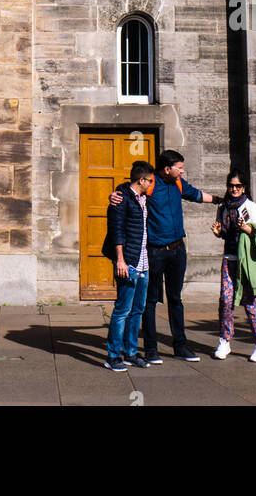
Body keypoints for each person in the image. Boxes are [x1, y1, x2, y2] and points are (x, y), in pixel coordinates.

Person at [110, 148, 215, 362]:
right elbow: (131, 189)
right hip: (155, 251)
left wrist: (222, 200)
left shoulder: (178, 184)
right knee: (150, 301)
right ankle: (151, 350)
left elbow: (196, 195)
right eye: (180, 168)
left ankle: (180, 346)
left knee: (176, 299)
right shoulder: (151, 184)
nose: (183, 171)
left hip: (177, 250)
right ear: (167, 169)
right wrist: (115, 193)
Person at [211, 170, 256, 362]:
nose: (234, 189)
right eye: (231, 185)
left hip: (246, 262)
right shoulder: (223, 207)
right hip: (229, 259)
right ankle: (224, 340)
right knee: (226, 302)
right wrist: (218, 232)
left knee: (250, 303)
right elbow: (225, 232)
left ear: (244, 187)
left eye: (238, 186)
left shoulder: (250, 207)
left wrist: (247, 228)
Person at [103, 159, 155, 371]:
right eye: (149, 181)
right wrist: (120, 260)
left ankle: (131, 352)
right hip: (129, 262)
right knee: (122, 310)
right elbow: (117, 232)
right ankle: (113, 356)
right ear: (141, 180)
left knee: (138, 310)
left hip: (144, 262)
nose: (152, 184)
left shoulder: (144, 199)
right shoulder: (121, 199)